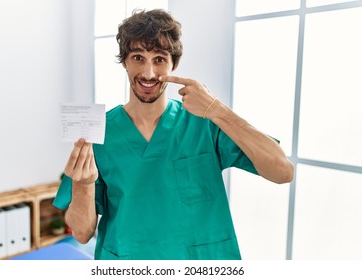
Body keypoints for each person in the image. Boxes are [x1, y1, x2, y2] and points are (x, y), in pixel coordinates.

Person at [53, 8, 294, 260]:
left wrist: (218, 110)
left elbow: (282, 171)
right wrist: (82, 183)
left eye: (159, 59)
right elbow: (81, 233)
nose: (148, 73)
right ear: (124, 61)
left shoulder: (204, 122)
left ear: (173, 63)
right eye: (137, 57)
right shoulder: (99, 131)